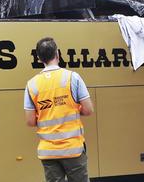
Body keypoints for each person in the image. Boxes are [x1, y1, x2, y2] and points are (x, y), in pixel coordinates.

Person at [24, 37, 94, 182]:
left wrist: (47, 110)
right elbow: (88, 110)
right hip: (73, 150)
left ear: (39, 58)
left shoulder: (32, 85)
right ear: (58, 54)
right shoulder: (72, 78)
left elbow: (30, 121)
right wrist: (71, 109)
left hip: (48, 152)